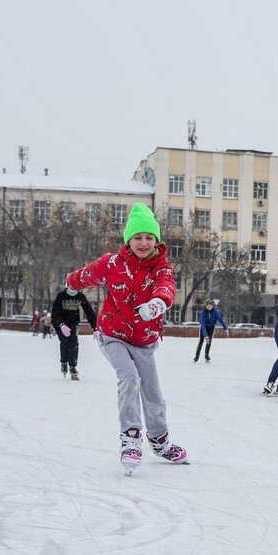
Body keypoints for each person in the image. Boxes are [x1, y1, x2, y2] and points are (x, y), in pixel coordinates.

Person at [66, 202, 188, 475]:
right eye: (138, 237)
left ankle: (159, 440)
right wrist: (72, 282)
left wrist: (157, 304)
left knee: (153, 392)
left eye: (149, 237)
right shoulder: (113, 263)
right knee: (130, 378)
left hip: (144, 341)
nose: (143, 243)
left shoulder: (161, 269)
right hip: (113, 336)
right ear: (128, 240)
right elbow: (88, 273)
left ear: (156, 241)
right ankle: (131, 439)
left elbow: (167, 288)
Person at [51, 286, 98, 380]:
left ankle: (72, 366)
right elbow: (55, 313)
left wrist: (95, 327)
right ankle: (64, 362)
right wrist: (61, 325)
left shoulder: (80, 296)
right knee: (65, 341)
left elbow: (89, 311)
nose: (73, 288)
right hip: (61, 323)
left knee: (74, 343)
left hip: (73, 323)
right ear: (68, 285)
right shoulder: (61, 296)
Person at [194, 298, 227, 363]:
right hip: (204, 327)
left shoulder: (216, 312)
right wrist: (206, 336)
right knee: (201, 341)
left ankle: (206, 355)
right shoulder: (203, 312)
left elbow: (221, 320)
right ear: (206, 306)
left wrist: (225, 328)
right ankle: (197, 356)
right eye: (208, 306)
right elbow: (203, 325)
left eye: (210, 306)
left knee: (209, 342)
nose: (209, 308)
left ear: (212, 306)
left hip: (211, 327)